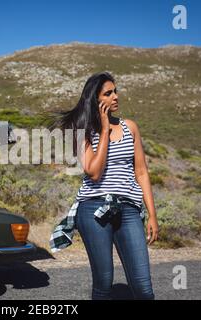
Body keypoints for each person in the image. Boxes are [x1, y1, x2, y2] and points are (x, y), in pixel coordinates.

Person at [50, 71, 159, 300]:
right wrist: (105, 130)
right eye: (108, 93)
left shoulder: (131, 127)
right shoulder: (84, 130)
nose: (115, 97)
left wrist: (152, 215)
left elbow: (141, 172)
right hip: (93, 209)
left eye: (115, 91)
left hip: (128, 208)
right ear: (96, 99)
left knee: (143, 287)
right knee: (104, 283)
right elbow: (95, 171)